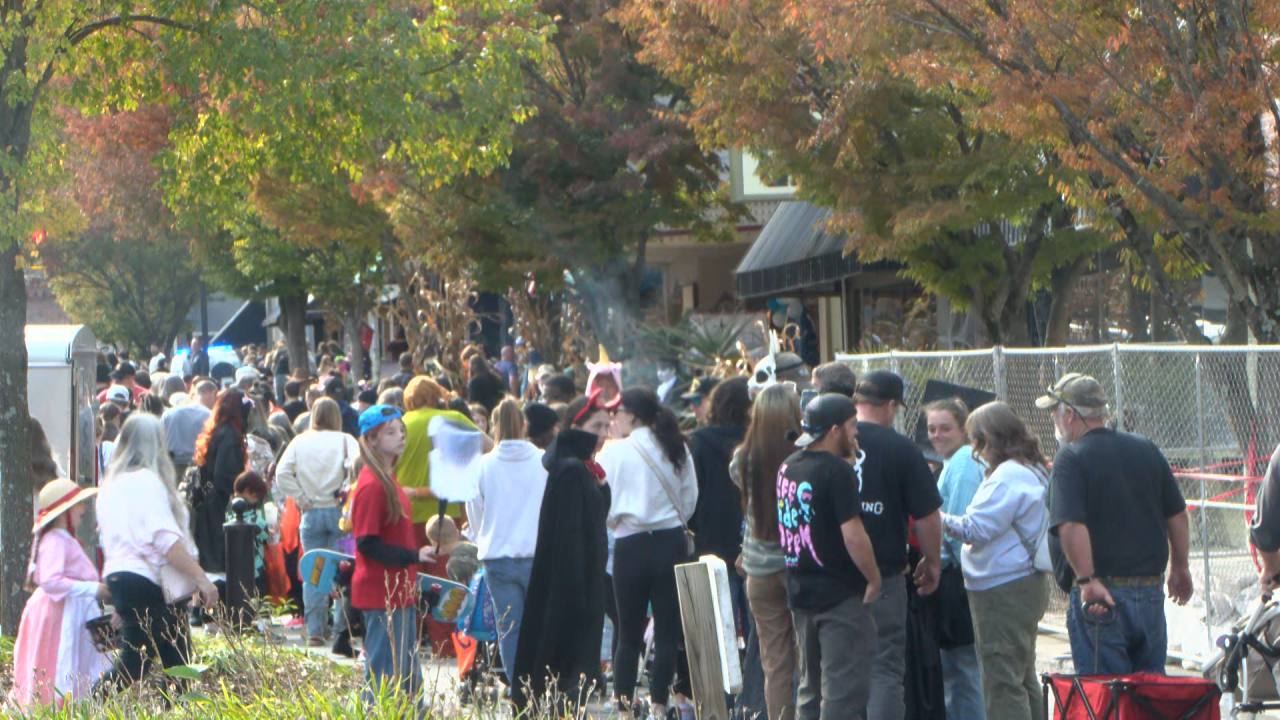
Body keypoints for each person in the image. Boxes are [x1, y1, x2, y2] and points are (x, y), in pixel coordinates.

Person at [1036, 373, 1192, 675]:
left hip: (1101, 597)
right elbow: (1177, 515)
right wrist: (1180, 567)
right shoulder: (1145, 448)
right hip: (1148, 593)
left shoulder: (1070, 458)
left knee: (1107, 699)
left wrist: (1086, 580)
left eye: (1055, 413)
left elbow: (1070, 525)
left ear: (1069, 414)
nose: (1054, 421)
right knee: (1147, 697)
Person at [94, 415, 219, 694]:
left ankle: (93, 705)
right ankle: (87, 706)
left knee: (161, 656)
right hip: (150, 580)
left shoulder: (109, 487)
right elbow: (166, 542)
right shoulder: (147, 482)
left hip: (120, 578)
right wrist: (200, 579)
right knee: (164, 660)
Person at [940, 403, 1050, 720]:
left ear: (991, 439)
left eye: (976, 440)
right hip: (1024, 582)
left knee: (1002, 680)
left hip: (1002, 587)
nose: (974, 449)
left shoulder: (1007, 475)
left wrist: (936, 516)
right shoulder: (1031, 467)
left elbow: (975, 529)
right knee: (1022, 673)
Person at [850, 370, 944, 720]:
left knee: (829, 669)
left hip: (827, 576)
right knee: (885, 667)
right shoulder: (901, 449)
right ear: (891, 405)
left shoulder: (824, 441)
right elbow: (928, 516)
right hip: (885, 575)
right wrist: (932, 562)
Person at [782, 393, 882, 720]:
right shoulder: (837, 472)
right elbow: (853, 534)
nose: (856, 434)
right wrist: (873, 577)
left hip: (800, 593)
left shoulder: (788, 467)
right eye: (852, 427)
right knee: (843, 696)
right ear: (835, 429)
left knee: (810, 691)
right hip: (840, 598)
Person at [600, 388, 698, 719]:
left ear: (633, 415)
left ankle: (625, 709)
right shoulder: (676, 445)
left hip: (629, 544)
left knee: (627, 633)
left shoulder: (612, 453)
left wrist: (619, 521)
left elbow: (604, 504)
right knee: (668, 631)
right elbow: (689, 498)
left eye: (618, 412)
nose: (613, 418)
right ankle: (659, 706)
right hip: (670, 541)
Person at [514, 392, 613, 713]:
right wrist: (579, 591)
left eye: (606, 424)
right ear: (576, 425)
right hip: (573, 587)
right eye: (597, 425)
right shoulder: (571, 471)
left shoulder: (580, 468)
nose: (604, 432)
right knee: (565, 667)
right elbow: (570, 537)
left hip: (582, 582)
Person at [348, 404, 438, 708]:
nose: (400, 436)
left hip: (396, 590)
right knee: (385, 672)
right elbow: (366, 543)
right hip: (381, 592)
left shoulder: (386, 479)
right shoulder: (372, 485)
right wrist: (414, 554)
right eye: (391, 432)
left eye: (401, 430)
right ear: (371, 439)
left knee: (405, 669)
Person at [687, 376, 760, 713]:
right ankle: (754, 702)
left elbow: (692, 492)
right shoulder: (755, 439)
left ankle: (721, 704)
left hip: (710, 542)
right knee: (758, 630)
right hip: (753, 543)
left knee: (717, 630)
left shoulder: (699, 440)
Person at [467, 399, 549, 687]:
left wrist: (483, 534)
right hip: (536, 555)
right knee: (539, 627)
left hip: (497, 556)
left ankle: (519, 690)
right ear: (524, 425)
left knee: (508, 630)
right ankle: (542, 687)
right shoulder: (542, 461)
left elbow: (474, 511)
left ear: (494, 426)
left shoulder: (483, 465)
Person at [731, 384, 801, 720]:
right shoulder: (804, 457)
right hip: (797, 565)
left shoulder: (742, 459)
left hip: (758, 569)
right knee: (807, 657)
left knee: (775, 662)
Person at [10, 479, 111, 707]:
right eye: (78, 505)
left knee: (73, 661)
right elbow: (50, 581)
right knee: (59, 662)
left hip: (69, 610)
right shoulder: (55, 540)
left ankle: (73, 704)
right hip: (60, 613)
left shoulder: (61, 539)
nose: (83, 509)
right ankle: (60, 705)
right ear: (64, 511)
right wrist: (94, 588)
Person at [274, 397, 361, 646]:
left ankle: (314, 630)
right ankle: (342, 630)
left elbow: (281, 474)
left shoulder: (299, 441)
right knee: (343, 570)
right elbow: (358, 470)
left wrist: (301, 497)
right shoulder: (346, 440)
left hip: (310, 512)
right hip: (340, 513)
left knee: (314, 572)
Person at [926, 398, 985, 719]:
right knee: (961, 670)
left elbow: (958, 527)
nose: (937, 435)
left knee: (963, 670)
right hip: (959, 575)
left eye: (945, 428)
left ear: (964, 429)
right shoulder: (954, 461)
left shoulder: (962, 464)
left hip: (959, 578)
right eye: (932, 428)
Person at [396, 377, 488, 541]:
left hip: (407, 512)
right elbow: (490, 447)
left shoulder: (398, 426)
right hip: (447, 515)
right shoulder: (453, 419)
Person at [192, 388, 250, 583]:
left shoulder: (217, 431)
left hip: (209, 508)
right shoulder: (230, 437)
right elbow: (225, 476)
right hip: (220, 511)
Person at [226, 471, 272, 597]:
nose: (257, 501)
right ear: (248, 491)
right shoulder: (247, 512)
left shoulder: (229, 507)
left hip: (235, 569)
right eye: (256, 496)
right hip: (254, 568)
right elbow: (264, 532)